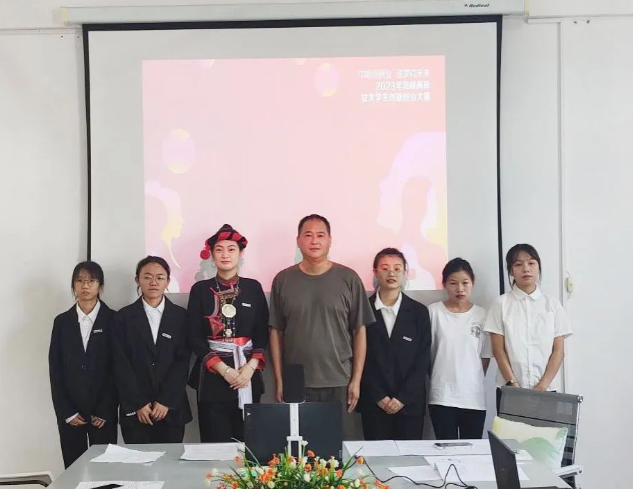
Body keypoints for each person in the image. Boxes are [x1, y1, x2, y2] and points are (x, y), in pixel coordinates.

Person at [269, 214, 375, 439]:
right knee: (300, 451)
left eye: (320, 235)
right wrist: (280, 380)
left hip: (339, 380)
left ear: (330, 240)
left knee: (339, 449)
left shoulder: (349, 278)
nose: (314, 241)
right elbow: (276, 332)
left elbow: (359, 331)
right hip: (297, 382)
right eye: (308, 235)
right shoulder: (283, 280)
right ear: (298, 241)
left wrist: (356, 380)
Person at [187, 224, 269, 442]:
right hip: (213, 377)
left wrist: (249, 368)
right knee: (215, 443)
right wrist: (224, 370)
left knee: (248, 444)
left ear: (241, 254)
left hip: (248, 374)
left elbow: (262, 333)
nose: (225, 254)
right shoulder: (200, 290)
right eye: (219, 249)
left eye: (231, 249)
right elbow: (194, 336)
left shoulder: (253, 288)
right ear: (212, 255)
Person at [113, 256, 192, 443]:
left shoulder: (180, 316)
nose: (153, 282)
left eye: (160, 277)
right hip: (137, 411)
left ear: (168, 281)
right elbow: (120, 364)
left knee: (171, 461)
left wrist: (166, 401)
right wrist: (138, 403)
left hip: (171, 409)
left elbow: (182, 362)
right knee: (138, 461)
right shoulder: (123, 317)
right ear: (137, 280)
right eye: (147, 277)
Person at [484, 244, 573, 409]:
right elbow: (498, 350)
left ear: (539, 267)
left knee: (544, 428)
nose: (526, 269)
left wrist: (542, 387)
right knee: (509, 428)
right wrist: (513, 385)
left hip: (546, 391)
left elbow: (558, 351)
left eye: (531, 263)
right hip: (509, 390)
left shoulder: (553, 305)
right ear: (511, 271)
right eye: (518, 264)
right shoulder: (500, 304)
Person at [48, 261, 118, 468]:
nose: (85, 286)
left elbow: (118, 369)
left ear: (100, 286)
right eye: (79, 281)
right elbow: (55, 370)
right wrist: (66, 411)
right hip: (71, 412)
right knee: (73, 469)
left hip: (103, 413)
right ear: (73, 285)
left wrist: (106, 409)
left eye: (91, 281)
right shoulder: (62, 322)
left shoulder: (114, 319)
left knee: (105, 471)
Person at [359, 248, 431, 440]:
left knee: (409, 457)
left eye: (397, 268)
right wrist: (378, 396)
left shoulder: (419, 312)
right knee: (376, 457)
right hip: (374, 404)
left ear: (405, 273)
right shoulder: (363, 310)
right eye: (385, 268)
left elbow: (422, 360)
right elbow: (360, 359)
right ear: (375, 272)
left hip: (409, 405)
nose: (391, 273)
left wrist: (402, 398)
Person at [428, 258, 491, 440]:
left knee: (471, 450)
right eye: (453, 283)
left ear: (472, 283)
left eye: (465, 283)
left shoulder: (482, 315)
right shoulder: (434, 312)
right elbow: (427, 354)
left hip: (473, 397)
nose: (460, 289)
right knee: (445, 450)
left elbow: (485, 356)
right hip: (441, 395)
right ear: (444, 284)